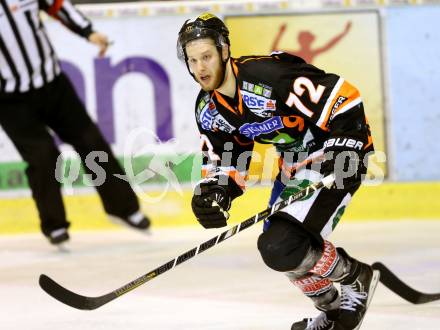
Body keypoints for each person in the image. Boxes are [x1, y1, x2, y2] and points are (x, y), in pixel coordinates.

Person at [177, 13, 379, 330]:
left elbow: (343, 98)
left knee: (282, 245)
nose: (201, 68)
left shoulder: (268, 76)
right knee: (278, 250)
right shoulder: (209, 109)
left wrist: (347, 145)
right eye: (193, 60)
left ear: (224, 51)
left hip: (334, 159)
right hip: (294, 167)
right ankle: (333, 311)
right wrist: (216, 192)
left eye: (207, 56)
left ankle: (356, 277)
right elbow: (228, 161)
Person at [0, 0, 150, 246]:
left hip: (53, 85)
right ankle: (54, 225)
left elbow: (58, 6)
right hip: (9, 101)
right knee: (42, 156)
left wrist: (88, 31)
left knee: (90, 140)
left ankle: (123, 208)